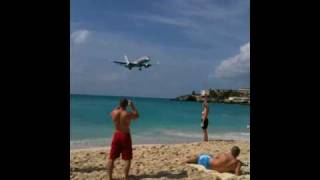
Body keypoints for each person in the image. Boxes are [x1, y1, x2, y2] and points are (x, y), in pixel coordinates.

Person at [106, 99, 139, 180]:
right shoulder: (127, 114)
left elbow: (111, 113)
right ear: (126, 105)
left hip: (116, 135)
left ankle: (109, 177)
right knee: (127, 159)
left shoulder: (114, 112)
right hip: (125, 135)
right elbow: (137, 115)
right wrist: (132, 106)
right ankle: (126, 177)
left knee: (111, 158)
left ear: (119, 104)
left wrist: (117, 107)